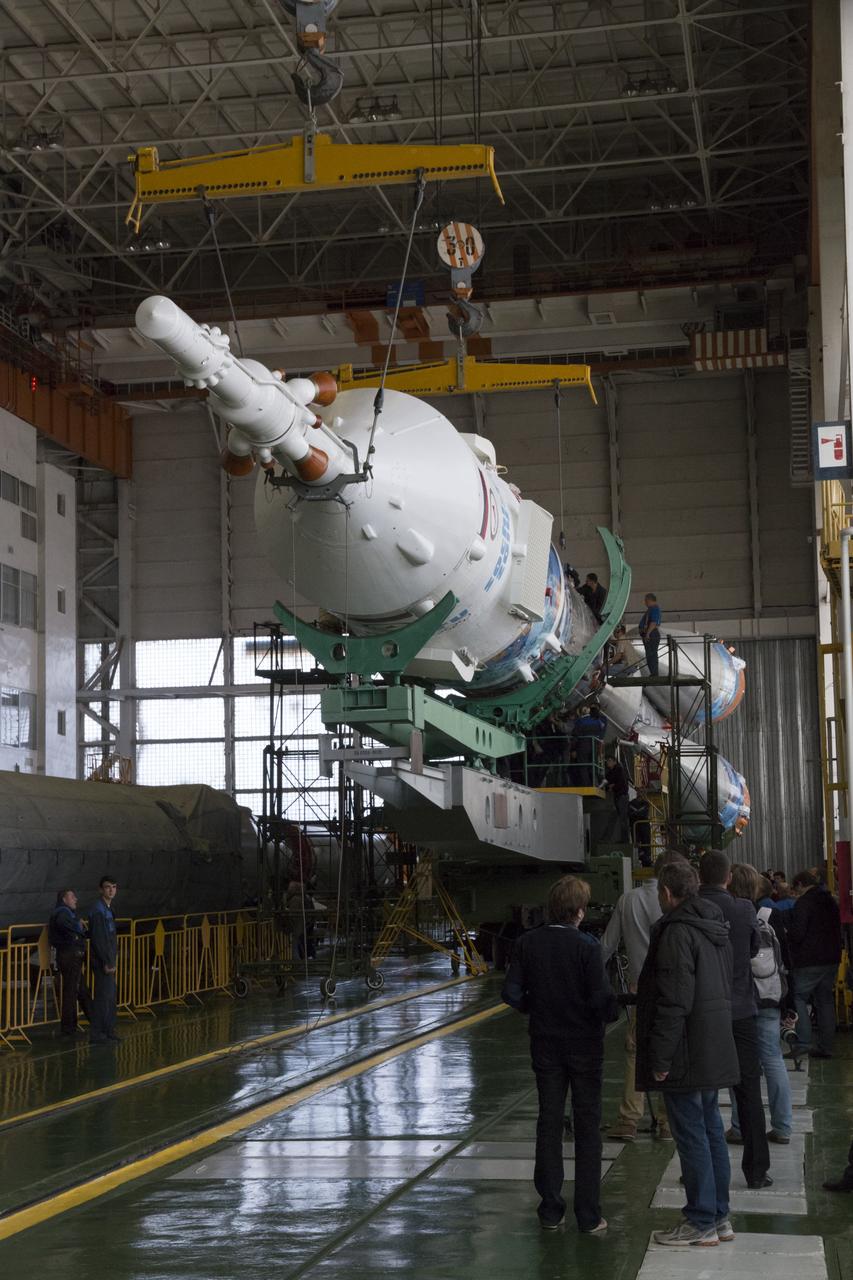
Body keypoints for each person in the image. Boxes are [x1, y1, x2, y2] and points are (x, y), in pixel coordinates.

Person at [502, 875, 617, 1234]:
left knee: (549, 1123)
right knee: (587, 1127)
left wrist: (534, 1009)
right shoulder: (587, 947)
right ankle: (588, 1214)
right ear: (579, 912)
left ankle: (550, 1209)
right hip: (584, 1045)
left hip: (545, 1042)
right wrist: (611, 1012)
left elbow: (511, 993)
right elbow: (601, 999)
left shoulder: (527, 943)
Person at [636, 860, 739, 1247]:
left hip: (685, 1051)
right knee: (711, 1130)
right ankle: (719, 1215)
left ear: (666, 893)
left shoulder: (677, 933)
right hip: (711, 1045)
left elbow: (674, 1001)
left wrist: (660, 1058)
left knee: (693, 1135)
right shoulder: (714, 927)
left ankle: (700, 1220)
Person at [600, 851, 688, 1142]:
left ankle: (628, 1120)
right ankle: (666, 1121)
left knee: (635, 1053)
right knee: (671, 1050)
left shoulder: (628, 900)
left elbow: (607, 947)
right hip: (675, 990)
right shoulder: (683, 903)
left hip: (640, 991)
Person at [698, 850, 771, 1189]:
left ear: (701, 877)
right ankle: (756, 1171)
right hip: (741, 1010)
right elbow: (755, 949)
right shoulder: (744, 909)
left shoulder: (691, 908)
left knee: (702, 1094)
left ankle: (698, 1168)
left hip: (704, 1015)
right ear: (728, 878)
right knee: (749, 1093)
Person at [725, 863, 792, 1146]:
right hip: (769, 996)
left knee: (739, 1065)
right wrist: (790, 1002)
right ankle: (783, 1126)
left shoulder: (727, 915)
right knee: (773, 1059)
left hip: (739, 1000)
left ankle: (740, 1127)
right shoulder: (770, 914)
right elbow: (785, 959)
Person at [786, 869, 842, 1058]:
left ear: (801, 885)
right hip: (832, 958)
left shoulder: (804, 903)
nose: (795, 893)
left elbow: (797, 933)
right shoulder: (830, 901)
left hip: (809, 960)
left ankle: (803, 1042)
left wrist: (789, 938)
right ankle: (826, 1046)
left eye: (796, 889)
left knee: (799, 997)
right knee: (825, 1000)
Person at [48, 889, 93, 1037]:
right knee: (71, 991)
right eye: (72, 896)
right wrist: (77, 925)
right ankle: (68, 1029)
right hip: (70, 955)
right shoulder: (62, 913)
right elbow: (63, 924)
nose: (76, 899)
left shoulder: (64, 912)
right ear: (64, 899)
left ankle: (94, 1020)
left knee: (80, 990)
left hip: (70, 955)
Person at [88, 875, 120, 1044]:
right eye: (108, 887)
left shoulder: (108, 909)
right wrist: (107, 962)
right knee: (103, 998)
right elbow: (100, 939)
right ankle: (98, 1034)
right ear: (101, 889)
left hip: (108, 960)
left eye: (114, 887)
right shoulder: (98, 910)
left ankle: (108, 1031)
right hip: (102, 962)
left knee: (110, 996)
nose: (111, 890)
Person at [570, 704, 607, 787]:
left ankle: (586, 785)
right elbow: (601, 730)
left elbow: (575, 734)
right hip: (594, 744)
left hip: (583, 744)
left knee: (583, 766)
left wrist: (573, 749)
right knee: (593, 764)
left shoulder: (581, 721)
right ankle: (598, 781)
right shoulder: (598, 721)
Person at [603, 754, 630, 843]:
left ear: (614, 761)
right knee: (615, 819)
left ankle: (624, 840)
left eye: (609, 761)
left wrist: (612, 787)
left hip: (621, 797)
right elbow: (607, 782)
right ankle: (607, 839)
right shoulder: (612, 772)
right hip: (618, 797)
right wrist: (610, 786)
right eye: (607, 761)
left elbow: (622, 784)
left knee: (622, 820)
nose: (608, 763)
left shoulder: (619, 770)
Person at [639, 593, 662, 676]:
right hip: (650, 633)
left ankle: (654, 673)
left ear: (650, 600)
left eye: (646, 601)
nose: (645, 602)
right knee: (650, 654)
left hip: (652, 634)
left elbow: (654, 622)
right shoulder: (651, 609)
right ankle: (653, 673)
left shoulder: (654, 609)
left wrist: (648, 633)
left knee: (651, 654)